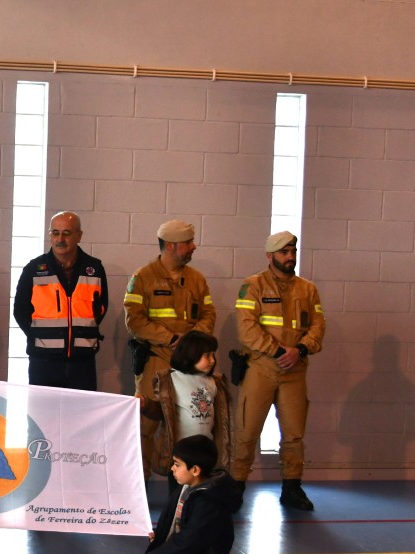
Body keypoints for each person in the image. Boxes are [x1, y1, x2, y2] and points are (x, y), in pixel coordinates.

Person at [232, 231, 326, 511]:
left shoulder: (308, 289)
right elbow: (246, 328)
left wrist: (301, 349)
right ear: (270, 256)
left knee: (294, 433)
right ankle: (236, 487)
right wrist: (276, 351)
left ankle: (292, 487)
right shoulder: (253, 286)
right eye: (284, 253)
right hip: (261, 368)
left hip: (295, 370)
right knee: (247, 431)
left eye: (293, 252)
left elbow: (318, 326)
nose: (290, 257)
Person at [124, 219, 216, 478]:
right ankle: (138, 483)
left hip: (190, 367)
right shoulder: (142, 278)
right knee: (145, 426)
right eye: (188, 243)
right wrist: (169, 338)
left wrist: (190, 341)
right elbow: (135, 321)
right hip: (156, 360)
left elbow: (209, 314)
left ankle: (181, 486)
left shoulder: (197, 280)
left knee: (187, 425)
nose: (193, 247)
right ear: (171, 245)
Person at [121, 435, 242, 554]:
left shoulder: (209, 502)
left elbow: (187, 544)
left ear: (195, 470)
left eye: (177, 464)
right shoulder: (186, 487)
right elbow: (174, 523)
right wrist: (158, 535)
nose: (172, 468)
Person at [13, 211, 108, 390]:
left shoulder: (94, 268)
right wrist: (39, 336)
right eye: (55, 233)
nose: (60, 239)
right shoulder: (33, 269)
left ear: (79, 236)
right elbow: (20, 311)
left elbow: (101, 308)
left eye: (67, 233)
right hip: (43, 361)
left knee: (81, 416)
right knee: (42, 415)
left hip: (83, 362)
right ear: (50, 235)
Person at [138, 331, 233, 494]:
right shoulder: (171, 380)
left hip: (205, 450)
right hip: (181, 453)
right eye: (206, 355)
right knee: (177, 496)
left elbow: (220, 420)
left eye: (212, 355)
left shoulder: (214, 382)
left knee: (204, 493)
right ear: (191, 355)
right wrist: (145, 404)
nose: (212, 360)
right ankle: (178, 519)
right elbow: (161, 411)